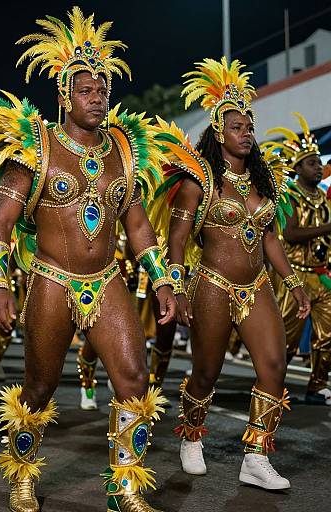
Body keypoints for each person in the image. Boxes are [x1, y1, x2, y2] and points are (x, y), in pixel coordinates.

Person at [0, 7, 177, 511]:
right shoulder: (35, 145)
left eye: (103, 90)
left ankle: (124, 488)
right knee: (39, 387)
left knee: (133, 379)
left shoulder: (123, 147)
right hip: (52, 278)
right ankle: (23, 474)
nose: (97, 98)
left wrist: (162, 278)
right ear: (63, 96)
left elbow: (137, 223)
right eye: (85, 90)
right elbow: (0, 224)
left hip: (108, 278)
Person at [156, 57, 310, 490]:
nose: (247, 134)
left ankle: (256, 456)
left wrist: (293, 282)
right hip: (212, 285)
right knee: (207, 371)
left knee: (274, 364)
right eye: (238, 127)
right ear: (219, 133)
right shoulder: (199, 181)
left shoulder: (265, 183)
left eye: (249, 128)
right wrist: (178, 286)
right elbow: (179, 238)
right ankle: (190, 436)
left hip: (256, 284)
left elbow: (271, 239)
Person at [263, 113, 331, 405]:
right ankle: (272, 387)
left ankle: (316, 388)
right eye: (312, 163)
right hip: (292, 276)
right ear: (298, 167)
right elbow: (289, 234)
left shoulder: (324, 197)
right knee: (286, 339)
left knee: (327, 336)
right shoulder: (289, 196)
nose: (319, 168)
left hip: (320, 274)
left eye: (319, 162)